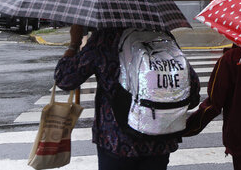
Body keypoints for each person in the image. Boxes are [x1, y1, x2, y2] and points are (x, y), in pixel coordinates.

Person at [55, 25, 200, 170]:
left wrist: (74, 43)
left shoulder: (105, 38)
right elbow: (192, 92)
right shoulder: (162, 35)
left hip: (117, 141)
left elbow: (65, 79)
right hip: (159, 140)